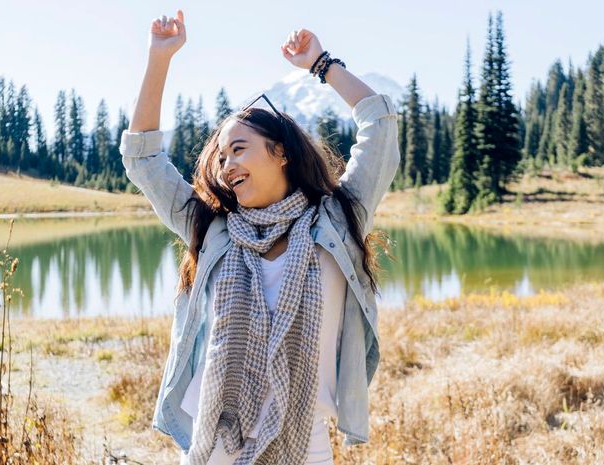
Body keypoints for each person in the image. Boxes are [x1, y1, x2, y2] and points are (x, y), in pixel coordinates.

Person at [120, 9, 400, 465]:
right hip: (217, 444)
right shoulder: (213, 230)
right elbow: (144, 160)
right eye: (221, 157)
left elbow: (380, 126)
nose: (226, 166)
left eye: (238, 149)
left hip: (305, 443)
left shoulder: (336, 221)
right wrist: (160, 58)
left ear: (281, 153)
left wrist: (322, 64)